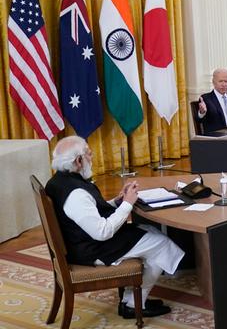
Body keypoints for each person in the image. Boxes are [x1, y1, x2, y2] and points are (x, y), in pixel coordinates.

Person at [45, 136, 185, 318]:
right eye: (88, 153)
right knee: (162, 245)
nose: (92, 156)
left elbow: (90, 213)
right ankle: (134, 304)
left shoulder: (59, 181)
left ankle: (131, 300)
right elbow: (102, 232)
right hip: (91, 249)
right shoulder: (76, 194)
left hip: (81, 242)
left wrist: (118, 201)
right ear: (78, 161)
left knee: (150, 231)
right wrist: (127, 204)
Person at [196, 68, 227, 133]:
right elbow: (199, 120)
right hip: (219, 138)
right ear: (213, 82)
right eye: (220, 81)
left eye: (226, 81)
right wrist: (202, 112)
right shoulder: (206, 99)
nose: (224, 84)